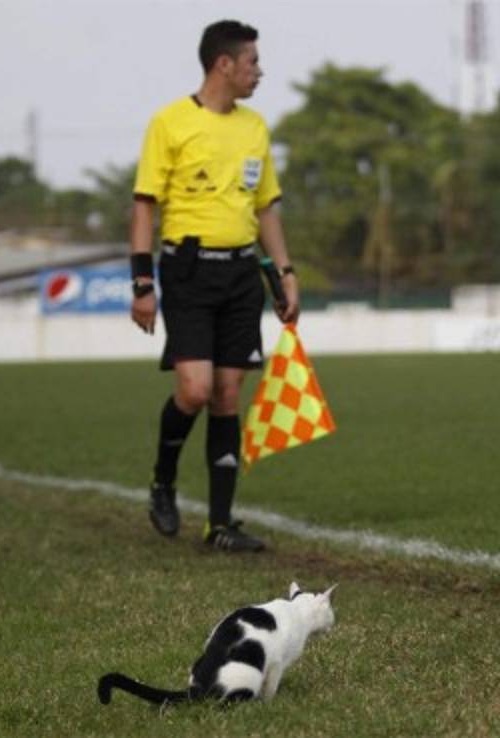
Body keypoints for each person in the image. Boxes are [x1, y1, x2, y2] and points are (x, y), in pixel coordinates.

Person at [128, 20, 300, 551]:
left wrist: (285, 273)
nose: (259, 72)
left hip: (241, 274)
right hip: (188, 271)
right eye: (252, 62)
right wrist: (141, 282)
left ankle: (220, 524)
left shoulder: (255, 128)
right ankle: (163, 481)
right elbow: (144, 205)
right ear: (223, 64)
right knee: (195, 390)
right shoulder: (170, 122)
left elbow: (266, 206)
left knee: (228, 395)